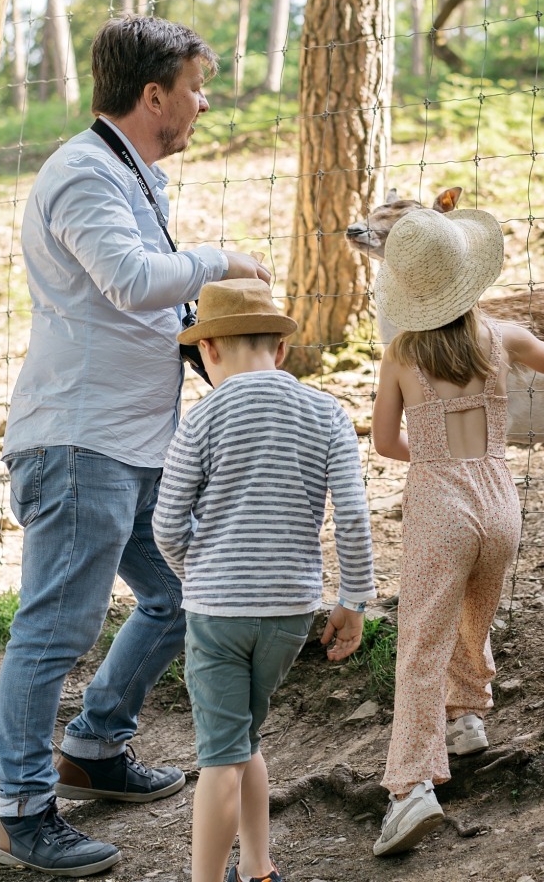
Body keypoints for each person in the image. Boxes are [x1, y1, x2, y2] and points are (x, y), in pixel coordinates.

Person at [0, 15, 271, 877]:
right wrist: (223, 260)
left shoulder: (135, 177)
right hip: (79, 443)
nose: (203, 102)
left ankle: (95, 746)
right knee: (55, 627)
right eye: (195, 86)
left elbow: (156, 308)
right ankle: (23, 809)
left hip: (137, 443)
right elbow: (127, 279)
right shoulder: (82, 174)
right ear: (153, 95)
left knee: (183, 592)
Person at [368, 205, 544, 856]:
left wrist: (432, 457)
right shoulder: (499, 335)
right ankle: (468, 716)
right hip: (500, 508)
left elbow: (384, 440)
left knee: (420, 643)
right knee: (471, 616)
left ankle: (409, 790)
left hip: (441, 509)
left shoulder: (401, 354)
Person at [151, 278, 375, 882]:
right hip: (288, 615)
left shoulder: (201, 422)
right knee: (246, 737)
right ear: (279, 349)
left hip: (217, 615)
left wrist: (196, 577)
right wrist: (352, 601)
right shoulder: (327, 411)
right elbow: (353, 514)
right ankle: (257, 866)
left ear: (210, 353)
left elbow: (168, 524)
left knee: (219, 757)